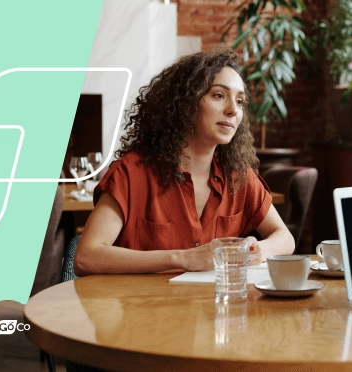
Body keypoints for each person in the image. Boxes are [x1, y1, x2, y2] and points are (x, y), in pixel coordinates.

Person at [73, 49, 295, 276]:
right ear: (185, 103)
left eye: (240, 101)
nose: (232, 110)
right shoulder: (131, 173)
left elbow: (285, 238)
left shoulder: (237, 176)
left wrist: (259, 250)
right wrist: (183, 258)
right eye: (219, 95)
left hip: (215, 299)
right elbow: (86, 257)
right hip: (141, 299)